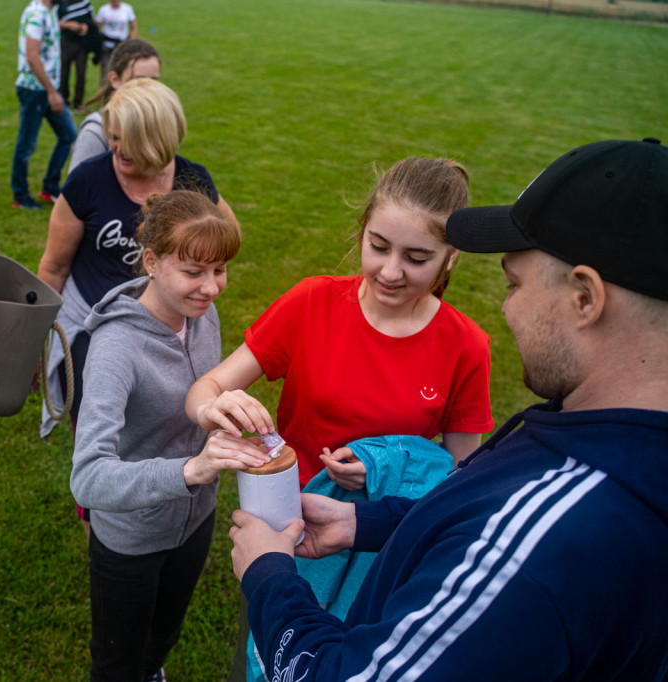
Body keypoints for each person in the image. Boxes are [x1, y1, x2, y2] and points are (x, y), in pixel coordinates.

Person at [229, 138, 668, 681]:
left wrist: (270, 578)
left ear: (585, 297)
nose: (505, 308)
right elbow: (473, 497)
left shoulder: (535, 545)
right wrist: (364, 521)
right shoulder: (586, 434)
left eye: (514, 283)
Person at [186, 157, 493, 490]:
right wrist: (210, 408)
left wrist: (387, 472)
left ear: (451, 256)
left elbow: (462, 474)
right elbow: (208, 387)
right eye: (379, 246)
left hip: (391, 520)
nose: (390, 272)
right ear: (362, 232)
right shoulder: (311, 302)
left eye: (415, 258)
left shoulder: (466, 345)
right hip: (290, 506)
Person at [70, 189, 263, 682]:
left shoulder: (201, 314)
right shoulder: (115, 349)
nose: (211, 288)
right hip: (130, 541)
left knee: (161, 638)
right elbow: (87, 478)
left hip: (195, 522)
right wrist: (191, 470)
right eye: (194, 271)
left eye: (219, 269)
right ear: (152, 262)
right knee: (117, 663)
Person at [37, 78, 236, 533]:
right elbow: (53, 265)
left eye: (128, 139)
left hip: (167, 321)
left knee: (169, 417)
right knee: (100, 430)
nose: (115, 148)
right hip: (93, 325)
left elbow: (227, 236)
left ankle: (172, 507)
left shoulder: (192, 180)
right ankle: (101, 523)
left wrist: (198, 274)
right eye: (112, 136)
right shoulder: (88, 180)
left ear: (159, 139)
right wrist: (37, 339)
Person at [11, 0, 77, 209]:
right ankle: (20, 196)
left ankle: (50, 186)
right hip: (35, 90)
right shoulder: (36, 15)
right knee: (26, 145)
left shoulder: (51, 10)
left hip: (48, 88)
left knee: (69, 135)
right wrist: (52, 92)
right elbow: (32, 56)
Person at [68, 37, 160, 174]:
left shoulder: (159, 122)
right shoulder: (96, 131)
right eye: (138, 81)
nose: (148, 89)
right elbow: (77, 185)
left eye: (154, 81)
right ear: (115, 80)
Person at [57, 0, 98, 112]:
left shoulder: (85, 2)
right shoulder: (61, 3)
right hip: (66, 42)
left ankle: (78, 103)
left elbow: (92, 20)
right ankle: (64, 100)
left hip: (82, 44)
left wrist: (86, 27)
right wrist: (69, 25)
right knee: (64, 73)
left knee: (81, 73)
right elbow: (55, 22)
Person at [94, 0, 135, 84]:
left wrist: (130, 43)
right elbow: (96, 28)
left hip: (122, 46)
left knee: (123, 71)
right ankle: (104, 90)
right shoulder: (104, 10)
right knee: (105, 72)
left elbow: (133, 29)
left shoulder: (127, 9)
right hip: (107, 46)